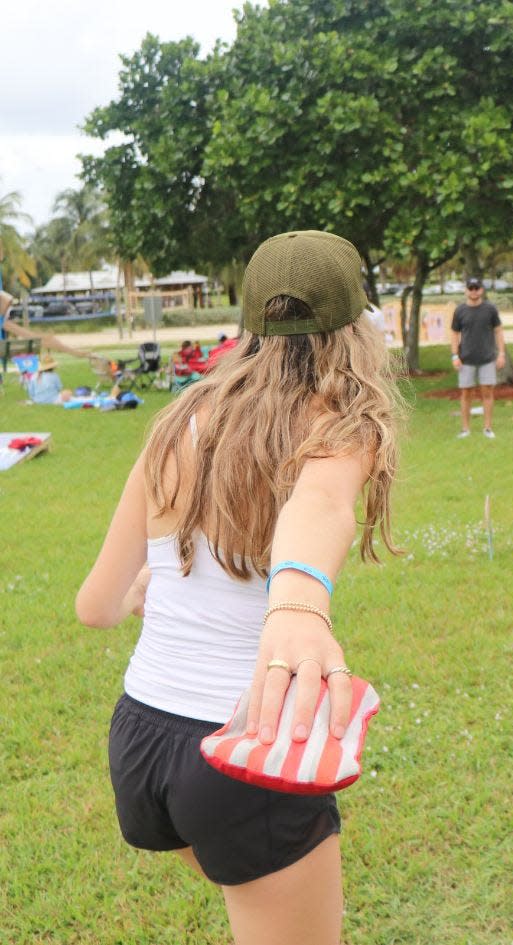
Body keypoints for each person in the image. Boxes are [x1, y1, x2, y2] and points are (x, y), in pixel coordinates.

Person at [76, 230, 403, 945]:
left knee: (252, 905)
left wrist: (142, 587)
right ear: (355, 325)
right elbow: (320, 503)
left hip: (140, 742)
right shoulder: (342, 422)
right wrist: (295, 603)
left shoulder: (175, 422)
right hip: (241, 749)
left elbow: (94, 607)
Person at [450, 277, 506, 439]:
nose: (474, 291)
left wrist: (501, 353)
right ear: (466, 290)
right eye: (471, 288)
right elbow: (454, 333)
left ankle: (487, 428)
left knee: (487, 393)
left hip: (487, 358)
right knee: (466, 394)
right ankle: (465, 429)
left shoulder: (490, 309)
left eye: (476, 288)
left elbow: (499, 331)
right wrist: (454, 355)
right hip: (465, 359)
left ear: (481, 290)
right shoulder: (460, 311)